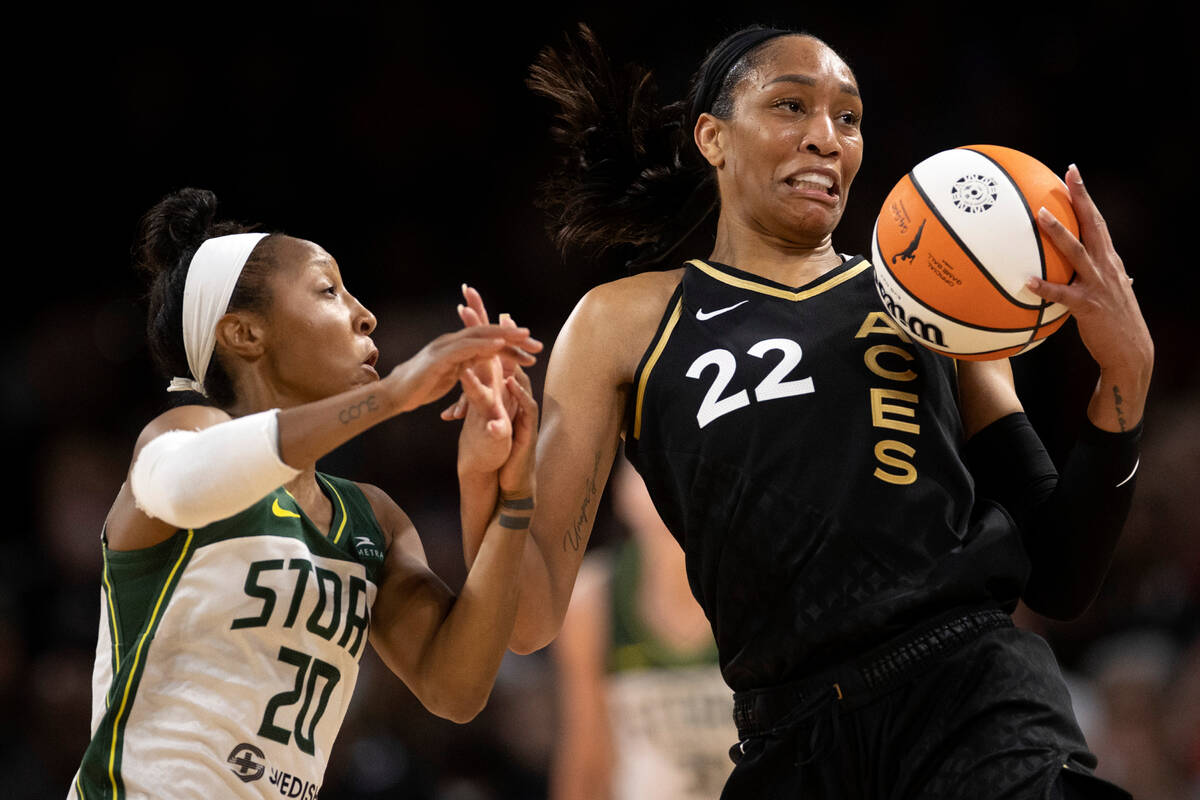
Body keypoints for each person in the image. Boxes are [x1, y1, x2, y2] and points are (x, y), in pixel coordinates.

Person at [445, 23, 1155, 800]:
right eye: (791, 106)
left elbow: (1060, 578)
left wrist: (1124, 373)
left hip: (968, 696)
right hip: (790, 736)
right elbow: (527, 620)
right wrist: (491, 483)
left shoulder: (937, 299)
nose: (826, 138)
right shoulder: (623, 322)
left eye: (847, 118)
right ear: (713, 136)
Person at [68, 187, 543, 799]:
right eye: (329, 290)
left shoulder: (371, 516)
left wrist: (506, 489)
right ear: (243, 334)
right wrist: (394, 394)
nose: (364, 314)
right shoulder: (184, 431)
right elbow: (184, 490)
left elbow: (455, 688)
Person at [550, 456, 735, 800]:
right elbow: (586, 761)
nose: (671, 486)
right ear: (622, 491)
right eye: (651, 465)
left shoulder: (765, 589)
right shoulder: (593, 600)